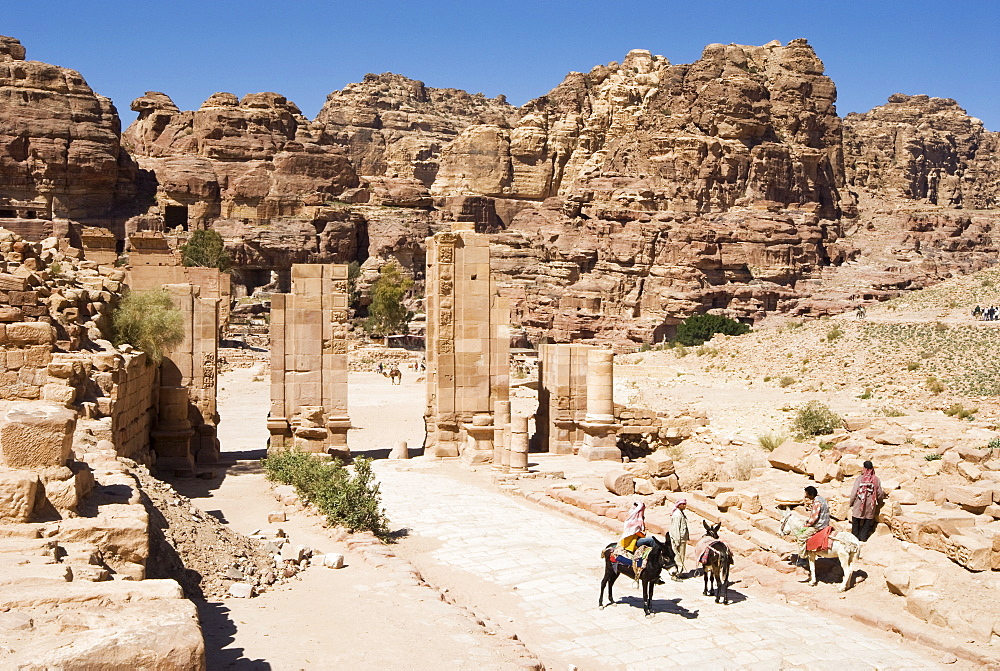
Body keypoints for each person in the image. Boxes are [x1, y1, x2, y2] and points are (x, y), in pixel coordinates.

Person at [849, 460, 885, 541]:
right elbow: (879, 493)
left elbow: (854, 492)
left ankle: (854, 538)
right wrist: (880, 503)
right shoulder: (876, 479)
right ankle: (863, 537)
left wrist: (851, 503)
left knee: (856, 520)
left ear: (864, 468)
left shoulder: (860, 479)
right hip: (870, 505)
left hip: (859, 503)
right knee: (867, 521)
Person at [799, 486, 830, 557]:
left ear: (811, 495)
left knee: (801, 538)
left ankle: (803, 557)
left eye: (807, 495)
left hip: (819, 525)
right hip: (825, 523)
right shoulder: (822, 499)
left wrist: (807, 525)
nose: (807, 497)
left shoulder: (817, 502)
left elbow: (814, 518)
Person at [669, 499, 689, 580]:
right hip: (679, 539)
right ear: (679, 505)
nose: (684, 506)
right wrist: (677, 541)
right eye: (683, 504)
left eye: (685, 504)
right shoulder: (677, 515)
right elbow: (675, 528)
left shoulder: (681, 514)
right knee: (678, 557)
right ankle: (675, 574)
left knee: (681, 556)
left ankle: (680, 572)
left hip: (682, 539)